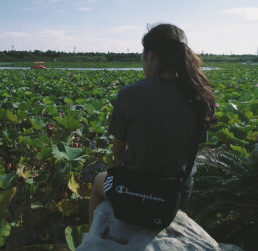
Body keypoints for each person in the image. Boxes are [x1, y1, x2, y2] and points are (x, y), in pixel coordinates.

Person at [89, 23, 217, 224]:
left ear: (150, 56)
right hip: (176, 195)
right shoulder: (201, 98)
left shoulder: (128, 94)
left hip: (131, 191)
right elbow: (193, 147)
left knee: (99, 180)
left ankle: (96, 240)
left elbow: (119, 154)